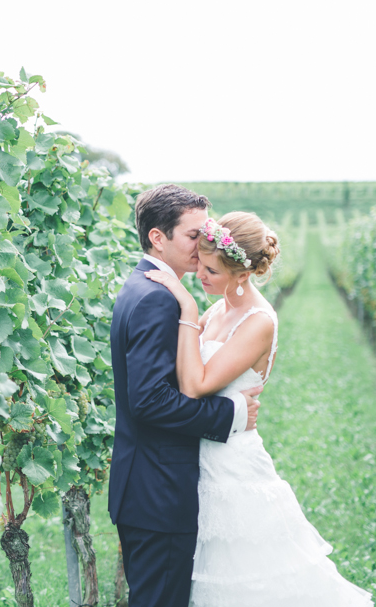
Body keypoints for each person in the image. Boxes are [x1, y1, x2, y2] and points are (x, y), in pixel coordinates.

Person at [145, 211, 374, 607]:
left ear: (243, 275)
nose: (200, 274)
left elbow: (195, 385)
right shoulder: (219, 310)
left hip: (232, 465)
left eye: (212, 270)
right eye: (200, 260)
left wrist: (185, 307)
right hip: (198, 456)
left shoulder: (258, 322)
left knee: (247, 577)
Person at [108, 185, 262, 607]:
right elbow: (150, 400)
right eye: (193, 235)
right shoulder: (158, 299)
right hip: (158, 491)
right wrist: (229, 413)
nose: (203, 244)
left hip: (145, 486)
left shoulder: (146, 287)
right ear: (158, 237)